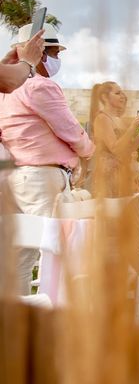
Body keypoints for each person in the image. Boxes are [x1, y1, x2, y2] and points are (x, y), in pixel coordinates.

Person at [0, 23, 95, 294]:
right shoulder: (41, 86)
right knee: (56, 251)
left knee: (21, 256)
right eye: (55, 53)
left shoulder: (5, 91)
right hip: (43, 178)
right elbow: (71, 131)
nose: (57, 60)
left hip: (15, 178)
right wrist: (90, 150)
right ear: (41, 52)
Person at [88, 81, 139, 197]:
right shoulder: (102, 118)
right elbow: (115, 148)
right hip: (107, 177)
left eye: (122, 93)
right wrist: (132, 126)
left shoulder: (118, 120)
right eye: (117, 93)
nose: (122, 96)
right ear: (105, 97)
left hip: (121, 175)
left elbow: (130, 149)